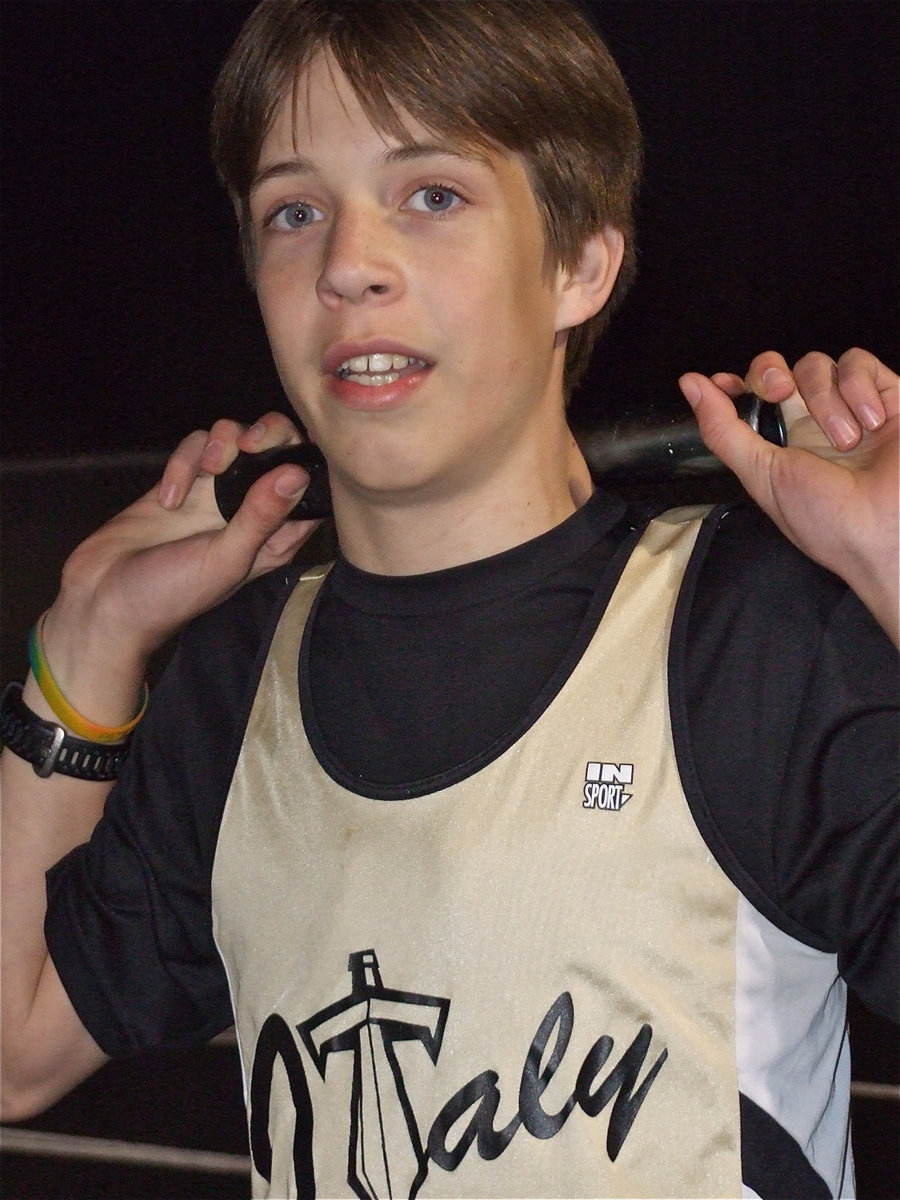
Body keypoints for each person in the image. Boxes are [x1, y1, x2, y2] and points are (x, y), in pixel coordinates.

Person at [1, 2, 896, 1198]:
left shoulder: (753, 637)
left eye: (432, 194)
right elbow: (14, 1055)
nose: (346, 265)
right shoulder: (238, 692)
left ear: (579, 262)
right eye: (294, 210)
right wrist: (89, 640)